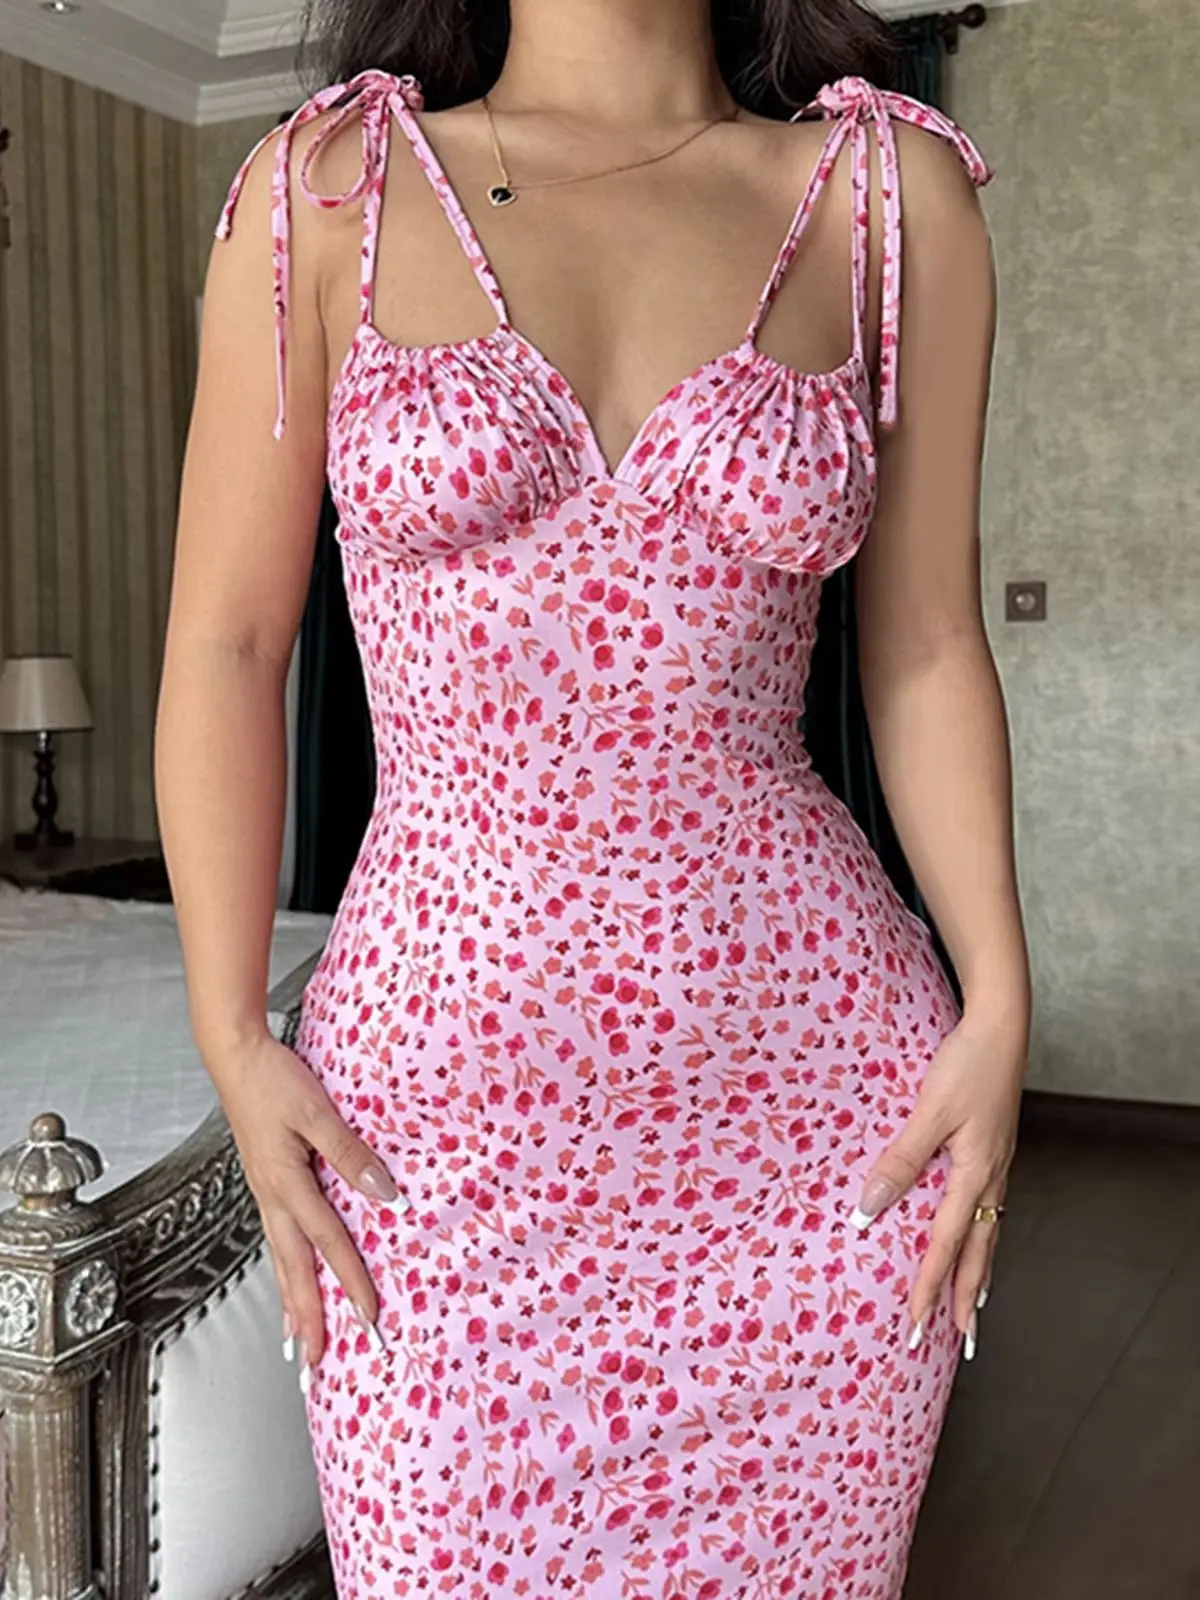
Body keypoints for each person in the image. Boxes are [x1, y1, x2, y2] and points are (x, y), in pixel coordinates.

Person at [155, 1, 1032, 1594]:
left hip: (821, 1122)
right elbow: (226, 645)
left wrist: (998, 1007)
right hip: (436, 1128)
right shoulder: (330, 187)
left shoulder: (886, 197)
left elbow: (924, 647)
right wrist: (229, 1032)